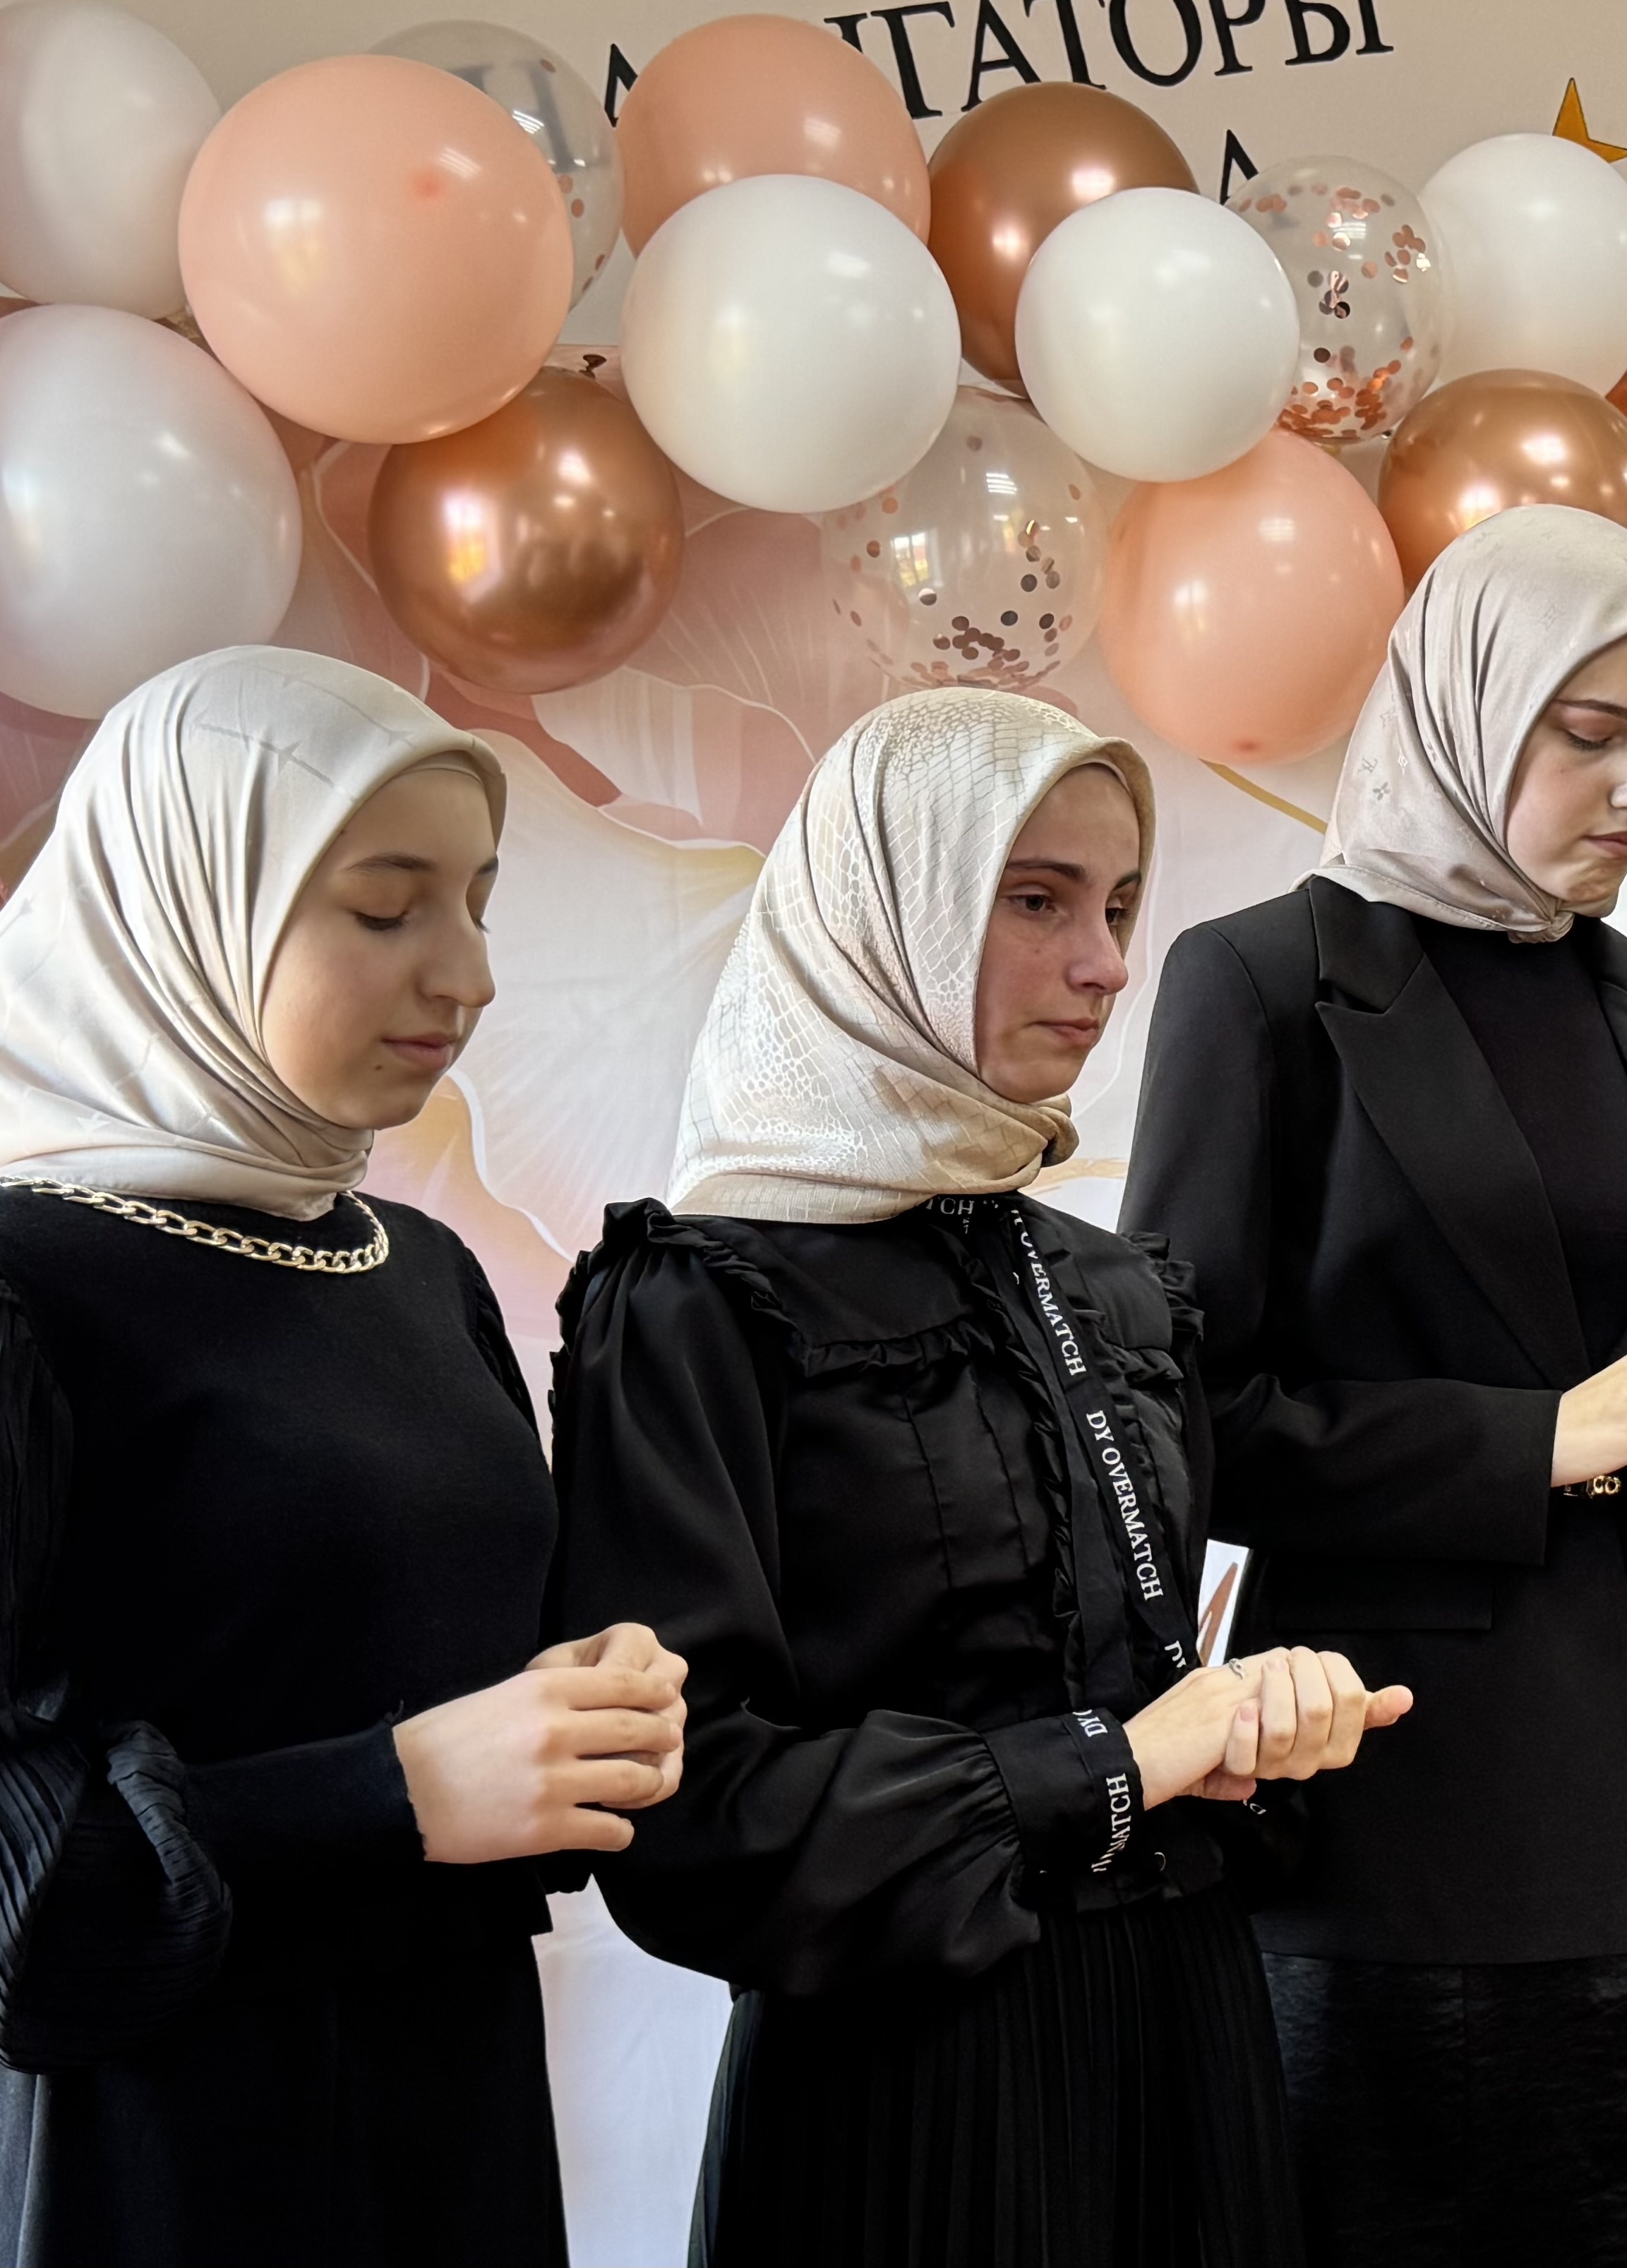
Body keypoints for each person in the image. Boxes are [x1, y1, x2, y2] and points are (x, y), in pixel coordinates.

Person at [0, 648, 688, 2268]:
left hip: (442, 2122)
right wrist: (386, 1792)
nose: (466, 973)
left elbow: (394, 1664)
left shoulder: (420, 1272)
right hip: (125, 2168)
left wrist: (575, 1705)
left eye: (478, 903)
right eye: (386, 907)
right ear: (188, 908)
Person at [546, 689, 1410, 2267]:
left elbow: (1151, 1687)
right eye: (1036, 900)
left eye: (1120, 904)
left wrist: (1253, 1727)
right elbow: (690, 1815)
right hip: (911, 2090)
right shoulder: (703, 1297)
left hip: (1189, 2044)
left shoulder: (1116, 1285)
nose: (1106, 963)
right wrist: (1112, 1764)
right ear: (885, 910)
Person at [1123, 505, 1627, 2266]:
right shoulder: (1266, 982)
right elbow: (1184, 1422)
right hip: (1407, 1813)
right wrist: (1536, 1442)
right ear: (1467, 706)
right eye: (1593, 733)